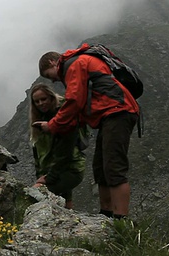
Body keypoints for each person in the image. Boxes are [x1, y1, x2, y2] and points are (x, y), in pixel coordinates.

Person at [33, 43, 139, 219]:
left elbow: (74, 101)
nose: (52, 81)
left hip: (118, 113)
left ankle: (121, 221)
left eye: (48, 75)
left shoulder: (75, 64)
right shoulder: (78, 63)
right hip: (110, 115)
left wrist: (52, 125)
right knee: (101, 167)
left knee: (113, 167)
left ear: (52, 62)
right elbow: (81, 105)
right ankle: (106, 215)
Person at [29, 84, 85, 209]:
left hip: (70, 170)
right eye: (37, 101)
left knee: (33, 196)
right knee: (65, 207)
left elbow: (65, 153)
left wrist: (48, 179)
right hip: (56, 171)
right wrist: (40, 177)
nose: (41, 103)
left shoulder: (63, 119)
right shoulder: (39, 122)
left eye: (44, 99)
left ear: (51, 97)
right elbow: (38, 154)